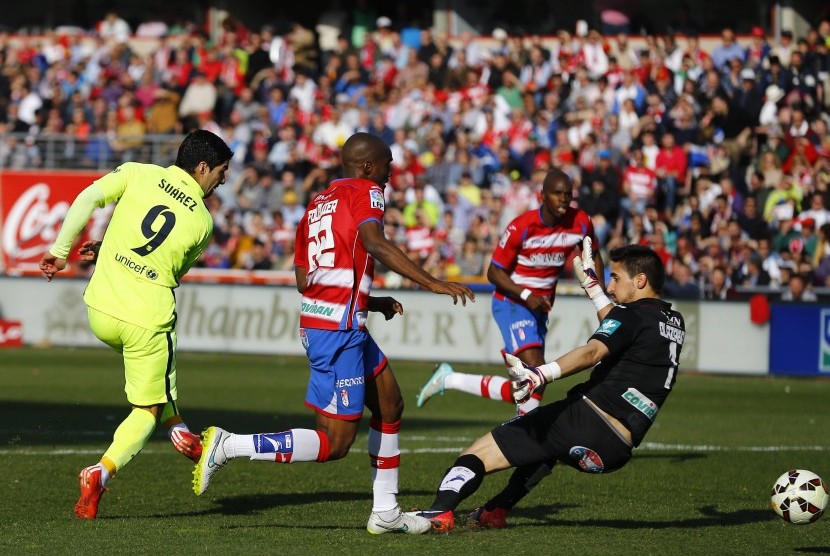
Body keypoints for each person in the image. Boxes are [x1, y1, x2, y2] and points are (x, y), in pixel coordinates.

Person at [192, 133, 474, 535]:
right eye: (388, 164)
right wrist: (432, 282)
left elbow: (305, 279)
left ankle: (386, 512)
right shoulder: (368, 191)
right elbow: (374, 243)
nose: (391, 172)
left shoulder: (316, 204)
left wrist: (367, 301)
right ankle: (228, 445)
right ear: (367, 167)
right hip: (338, 331)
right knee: (336, 443)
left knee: (390, 405)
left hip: (335, 322)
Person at [413, 241, 685, 531]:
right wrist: (593, 289)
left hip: (586, 421)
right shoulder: (673, 322)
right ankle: (496, 509)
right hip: (617, 447)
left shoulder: (630, 315)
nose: (611, 285)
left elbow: (593, 352)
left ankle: (439, 511)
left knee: (477, 453)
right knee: (546, 448)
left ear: (640, 280)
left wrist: (540, 375)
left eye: (616, 278)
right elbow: (622, 329)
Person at [38, 130, 234, 519]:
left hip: (100, 309)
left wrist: (62, 251)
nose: (222, 180)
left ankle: (181, 430)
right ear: (201, 167)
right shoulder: (203, 223)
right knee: (147, 407)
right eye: (221, 171)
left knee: (159, 370)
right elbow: (167, 267)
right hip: (144, 317)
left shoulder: (137, 172)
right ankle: (102, 472)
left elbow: (88, 197)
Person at [416, 169, 604, 415]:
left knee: (529, 385)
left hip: (541, 307)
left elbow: (594, 254)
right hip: (513, 302)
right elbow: (494, 273)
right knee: (536, 367)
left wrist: (598, 291)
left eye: (568, 194)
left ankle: (450, 380)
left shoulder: (580, 222)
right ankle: (520, 437)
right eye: (557, 193)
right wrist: (527, 295)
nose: (564, 199)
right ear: (542, 196)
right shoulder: (522, 227)